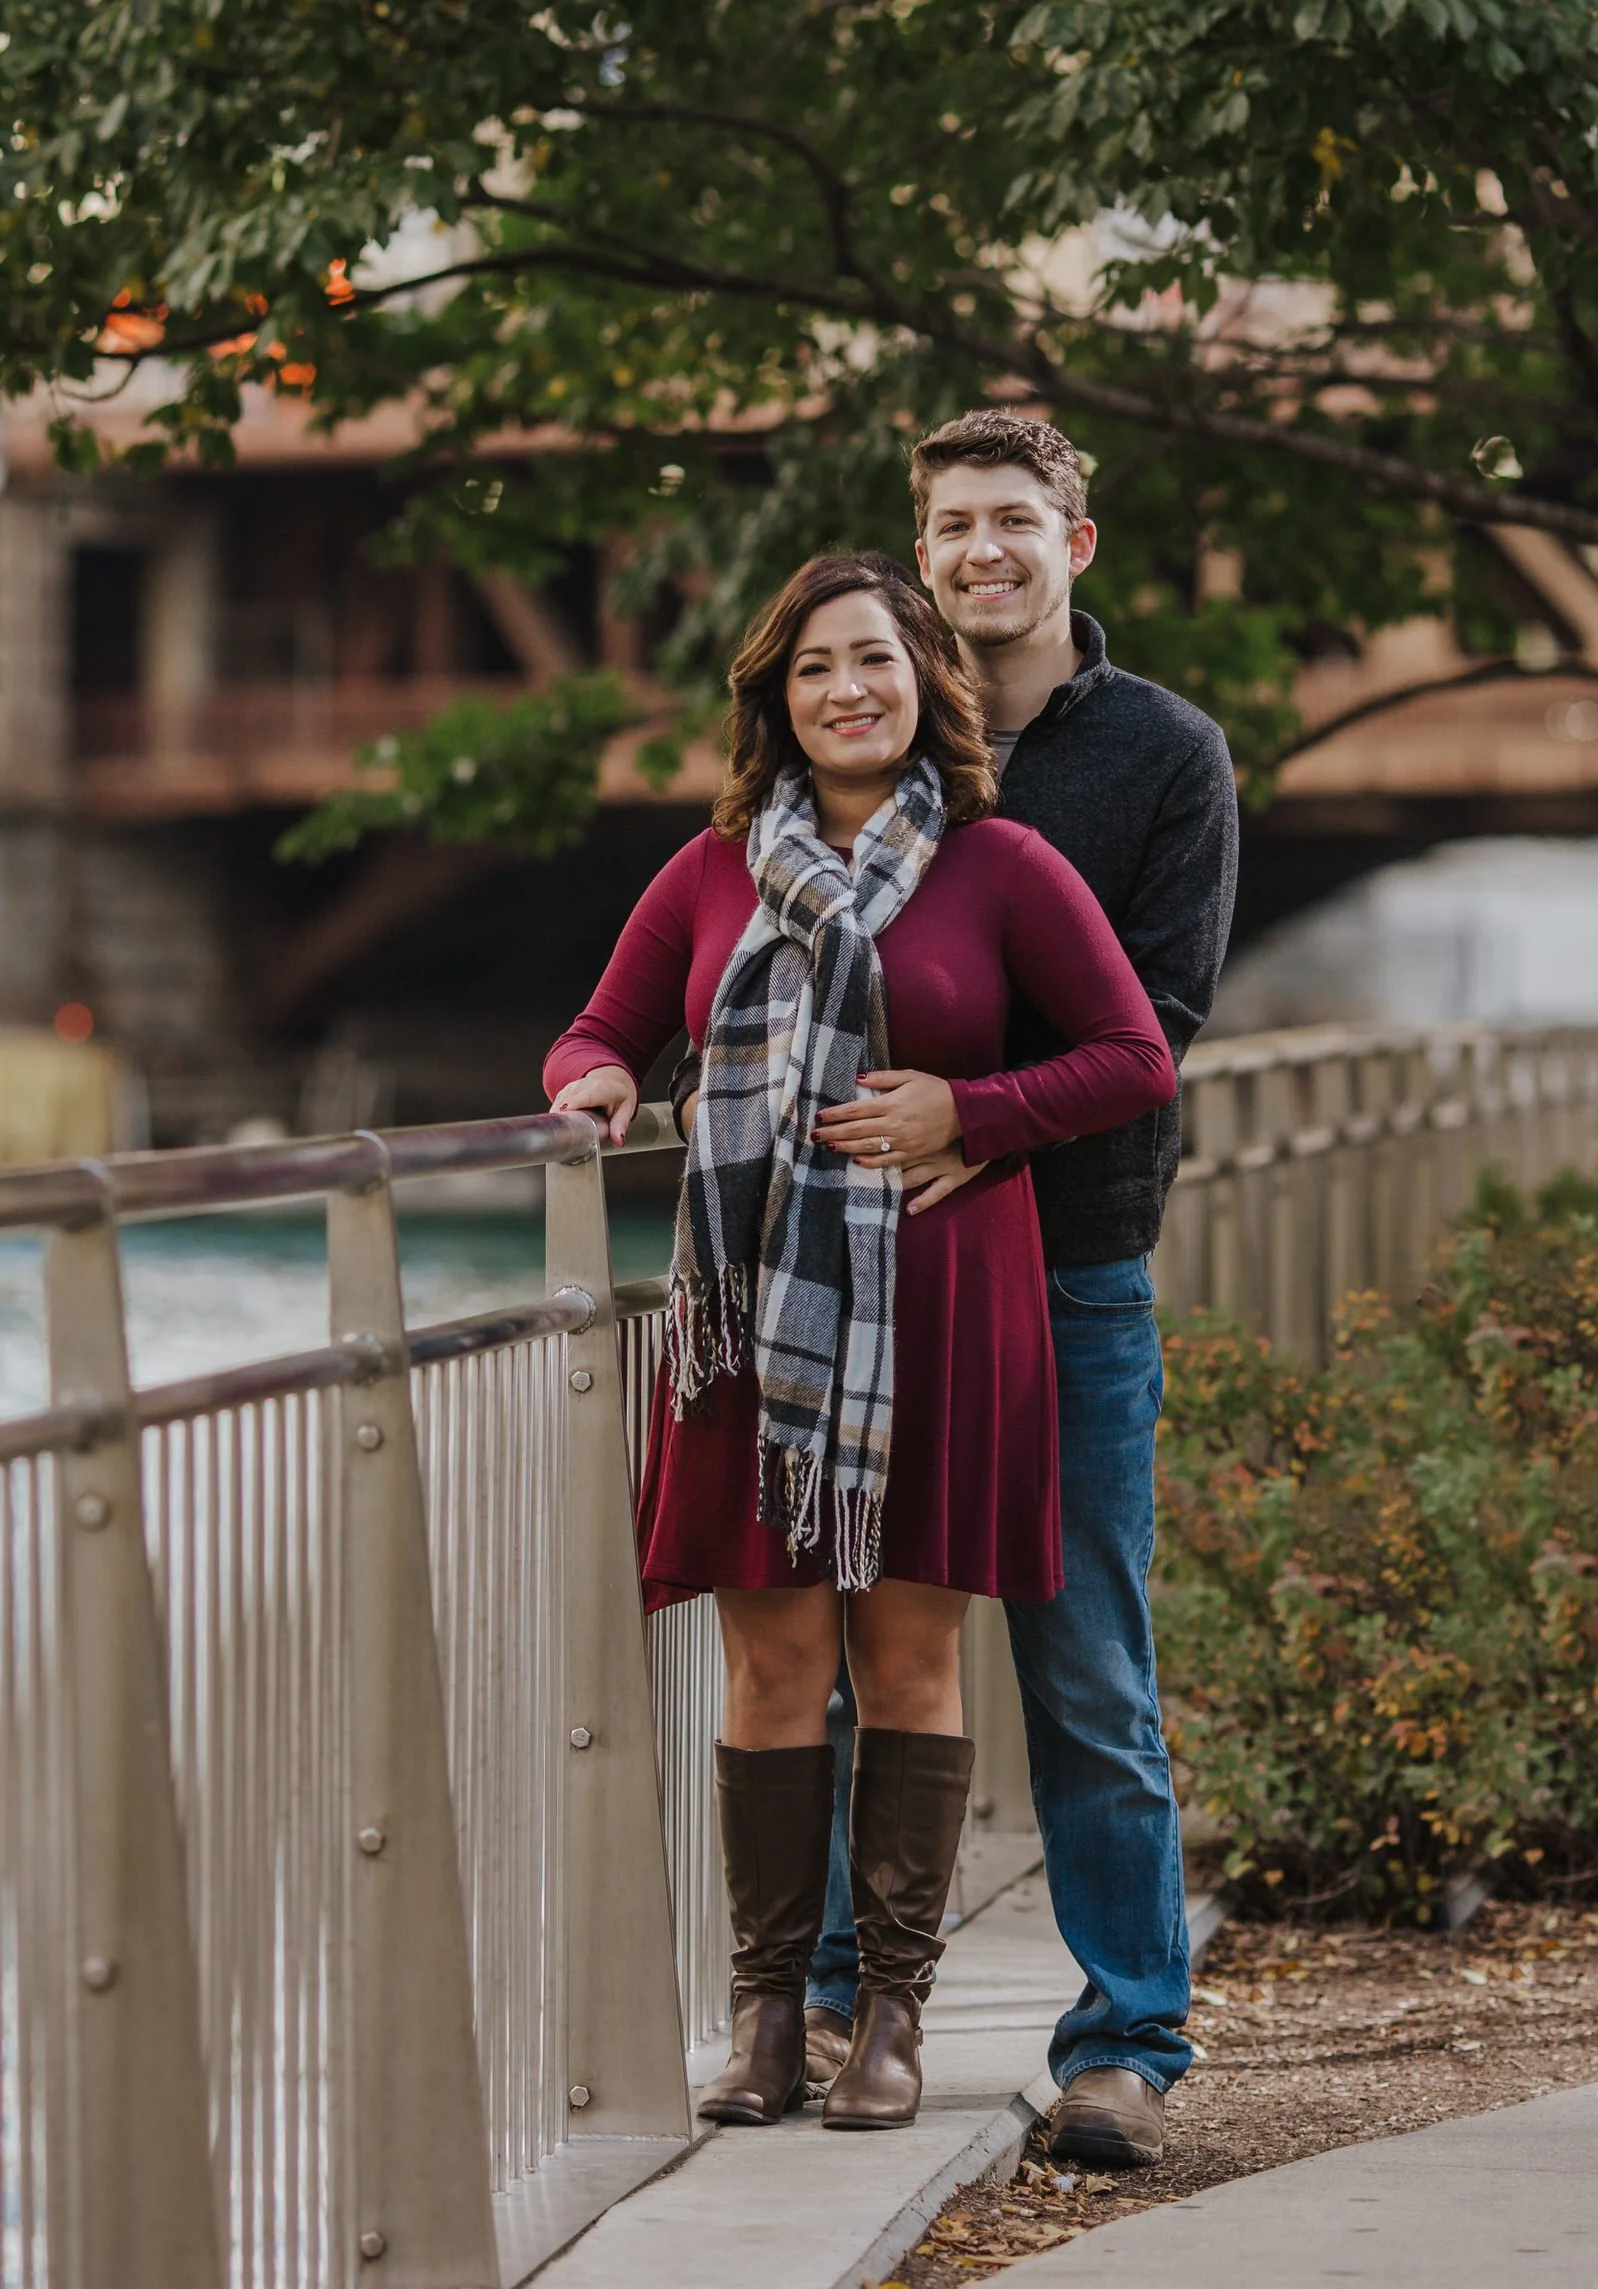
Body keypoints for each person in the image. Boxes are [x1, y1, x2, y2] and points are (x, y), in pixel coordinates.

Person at [544, 550, 1174, 2138]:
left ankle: (890, 2022)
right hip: (747, 1319)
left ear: (924, 685)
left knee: (905, 1655)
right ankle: (769, 2026)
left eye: (877, 662)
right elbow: (604, 1028)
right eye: (817, 666)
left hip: (943, 1310)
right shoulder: (706, 875)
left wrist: (980, 1108)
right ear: (777, 698)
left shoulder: (1004, 865)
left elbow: (1132, 1056)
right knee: (769, 1663)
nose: (848, 690)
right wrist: (592, 1088)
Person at [782, 412, 1241, 2171]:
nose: (983, 551)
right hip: (867, 1267)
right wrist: (610, 1063)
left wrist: (981, 1117)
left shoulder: (1164, 758)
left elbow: (1163, 1024)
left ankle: (1126, 2041)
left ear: (1076, 543)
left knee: (1086, 1671)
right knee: (845, 1648)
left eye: (1013, 522)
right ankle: (832, 1991)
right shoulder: (869, 725)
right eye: (952, 525)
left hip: (1065, 1278)